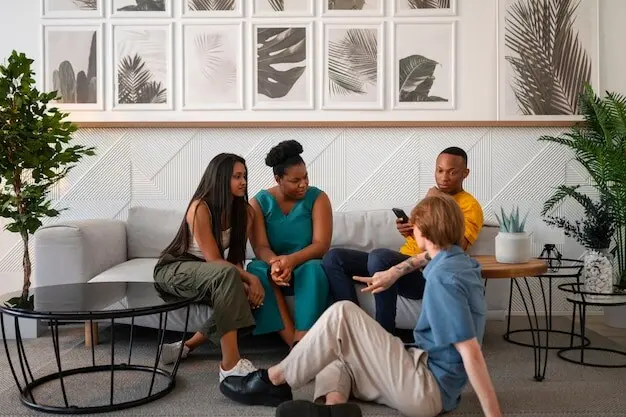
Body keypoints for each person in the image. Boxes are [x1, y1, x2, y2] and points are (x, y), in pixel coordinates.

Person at [219, 194, 502, 417]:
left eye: (415, 228)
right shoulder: (460, 262)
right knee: (334, 348)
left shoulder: (443, 280)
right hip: (425, 375)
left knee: (342, 313)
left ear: (425, 233)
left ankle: (273, 379)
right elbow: (426, 257)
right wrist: (394, 272)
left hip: (427, 388)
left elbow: (471, 352)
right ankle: (334, 406)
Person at [322, 146, 484, 334]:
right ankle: (354, 328)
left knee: (380, 257)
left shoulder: (470, 205)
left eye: (452, 172)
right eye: (439, 171)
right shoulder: (431, 199)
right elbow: (427, 236)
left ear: (465, 173)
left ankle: (385, 334)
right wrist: (409, 230)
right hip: (403, 260)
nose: (444, 177)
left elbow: (456, 247)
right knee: (334, 258)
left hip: (424, 273)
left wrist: (439, 198)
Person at [153, 153, 265, 382]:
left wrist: (243, 284)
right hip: (175, 269)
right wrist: (251, 279)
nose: (243, 182)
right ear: (220, 178)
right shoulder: (200, 207)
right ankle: (230, 365)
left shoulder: (245, 212)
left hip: (211, 274)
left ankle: (186, 346)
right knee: (233, 278)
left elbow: (235, 259)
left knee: (241, 294)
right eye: (236, 176)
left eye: (244, 176)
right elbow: (214, 259)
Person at [247, 140, 333, 348]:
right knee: (255, 269)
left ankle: (302, 337)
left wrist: (291, 261)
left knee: (314, 268)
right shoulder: (258, 203)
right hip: (275, 266)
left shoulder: (318, 198)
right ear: (278, 179)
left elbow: (321, 245)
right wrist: (275, 264)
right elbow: (260, 247)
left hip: (305, 262)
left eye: (305, 177)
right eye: (296, 180)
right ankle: (293, 343)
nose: (303, 184)